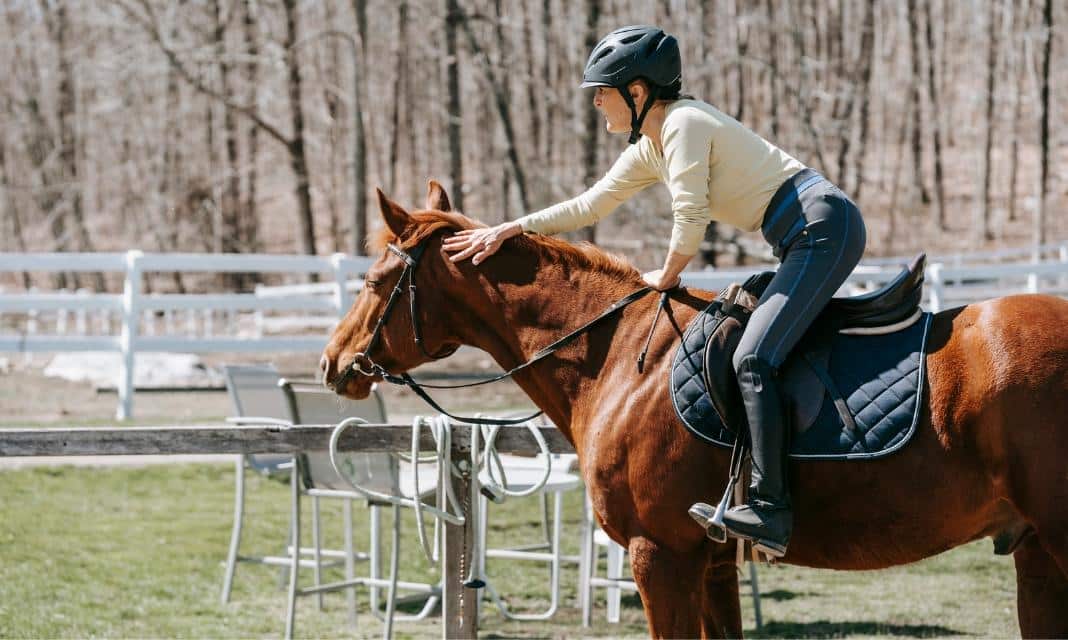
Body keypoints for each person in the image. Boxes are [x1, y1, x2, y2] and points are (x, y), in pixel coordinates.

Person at [443, 25, 866, 557]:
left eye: (603, 90)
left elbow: (691, 215)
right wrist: (512, 228)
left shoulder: (685, 124)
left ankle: (770, 508)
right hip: (802, 234)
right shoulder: (652, 144)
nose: (596, 101)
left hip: (822, 228)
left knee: (754, 357)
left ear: (637, 93)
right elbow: (589, 206)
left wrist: (663, 279)